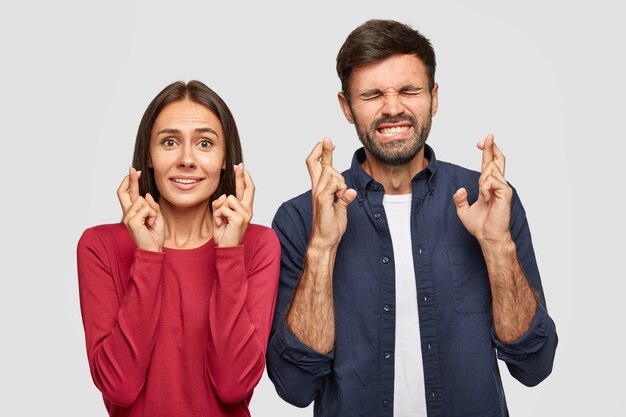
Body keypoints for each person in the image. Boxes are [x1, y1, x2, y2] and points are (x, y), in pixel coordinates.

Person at [266, 19, 557, 417]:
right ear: (346, 107)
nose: (392, 108)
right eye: (372, 95)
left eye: (409, 90)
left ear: (434, 97)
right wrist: (322, 247)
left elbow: (535, 365)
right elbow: (295, 387)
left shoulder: (487, 201)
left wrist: (497, 247)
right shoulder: (302, 217)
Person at [77, 80, 280, 417]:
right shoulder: (99, 246)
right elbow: (119, 387)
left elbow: (233, 385)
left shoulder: (258, 246)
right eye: (170, 142)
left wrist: (229, 254)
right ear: (149, 156)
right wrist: (147, 258)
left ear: (226, 159)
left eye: (205, 143)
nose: (187, 159)